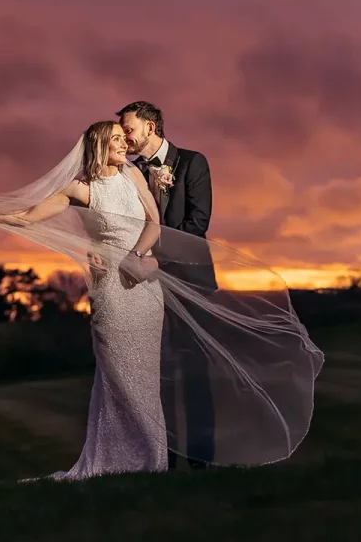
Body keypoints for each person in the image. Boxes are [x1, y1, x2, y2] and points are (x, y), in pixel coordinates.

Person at [0, 117, 324, 479]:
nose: (124, 142)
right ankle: (124, 456)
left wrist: (137, 256)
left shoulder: (133, 174)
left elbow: (152, 222)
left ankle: (154, 459)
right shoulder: (79, 189)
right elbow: (29, 216)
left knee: (148, 374)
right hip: (111, 289)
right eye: (115, 138)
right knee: (118, 374)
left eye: (124, 137)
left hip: (144, 287)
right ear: (98, 145)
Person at [117, 100, 216, 470]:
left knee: (195, 374)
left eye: (128, 129)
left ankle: (203, 462)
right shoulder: (126, 171)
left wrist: (158, 261)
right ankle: (165, 460)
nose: (124, 137)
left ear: (150, 128)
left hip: (190, 283)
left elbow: (197, 225)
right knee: (159, 375)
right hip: (143, 287)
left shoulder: (192, 163)